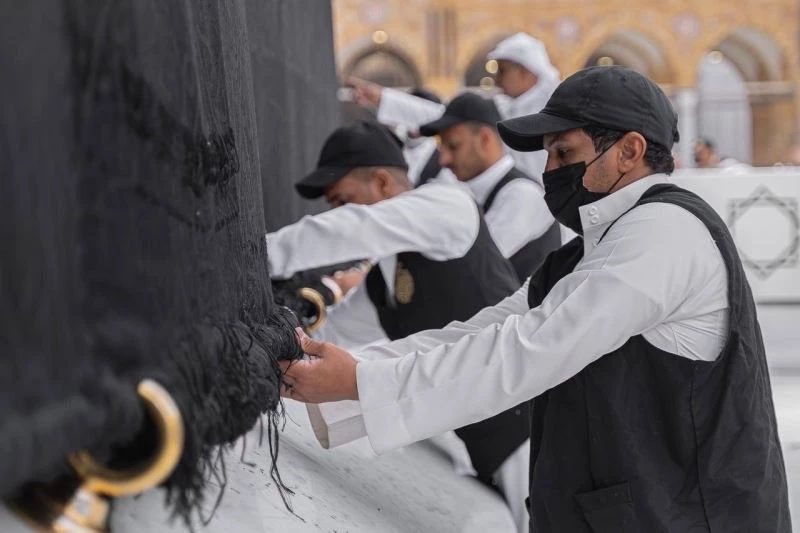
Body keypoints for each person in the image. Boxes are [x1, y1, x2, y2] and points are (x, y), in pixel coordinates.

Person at [280, 67, 791, 533]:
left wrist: (359, 382)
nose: (550, 171)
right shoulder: (588, 253)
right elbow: (481, 332)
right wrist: (352, 375)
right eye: (547, 155)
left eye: (564, 154)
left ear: (630, 151)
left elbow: (529, 349)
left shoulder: (664, 232)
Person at [267, 120, 533, 529]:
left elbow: (356, 229)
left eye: (344, 201)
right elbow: (332, 335)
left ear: (382, 183)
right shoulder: (383, 284)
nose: (338, 214)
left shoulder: (449, 205)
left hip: (531, 432)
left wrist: (259, 257)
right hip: (479, 444)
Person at [348, 32, 560, 185]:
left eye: (503, 71)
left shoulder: (556, 109)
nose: (496, 79)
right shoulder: (506, 108)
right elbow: (445, 116)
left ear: (525, 72)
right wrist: (384, 98)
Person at [417, 91, 560, 280]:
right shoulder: (468, 190)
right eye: (441, 148)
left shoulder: (522, 195)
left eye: (453, 146)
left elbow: (468, 265)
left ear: (485, 139)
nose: (443, 159)